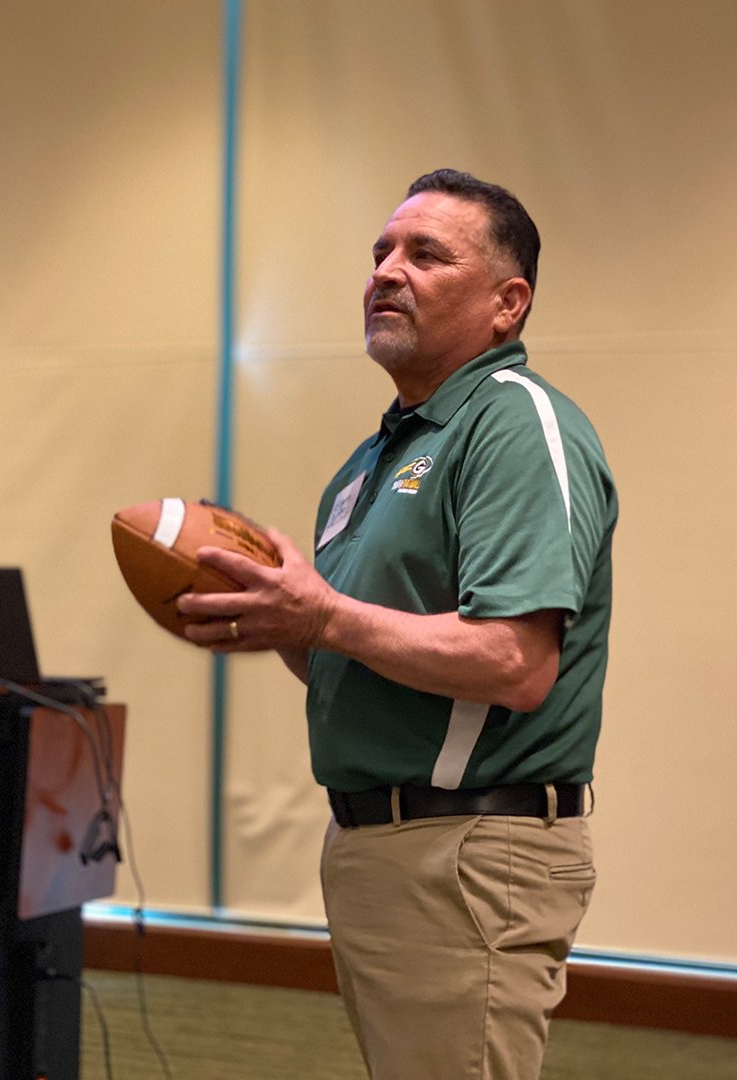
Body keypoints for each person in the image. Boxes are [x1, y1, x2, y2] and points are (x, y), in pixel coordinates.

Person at [177, 168, 618, 1080]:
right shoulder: (369, 463)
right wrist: (282, 623)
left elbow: (515, 661)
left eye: (425, 253)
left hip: (468, 855)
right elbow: (357, 656)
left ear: (508, 302)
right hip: (379, 847)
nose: (386, 270)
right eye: (380, 250)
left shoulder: (513, 424)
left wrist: (325, 613)